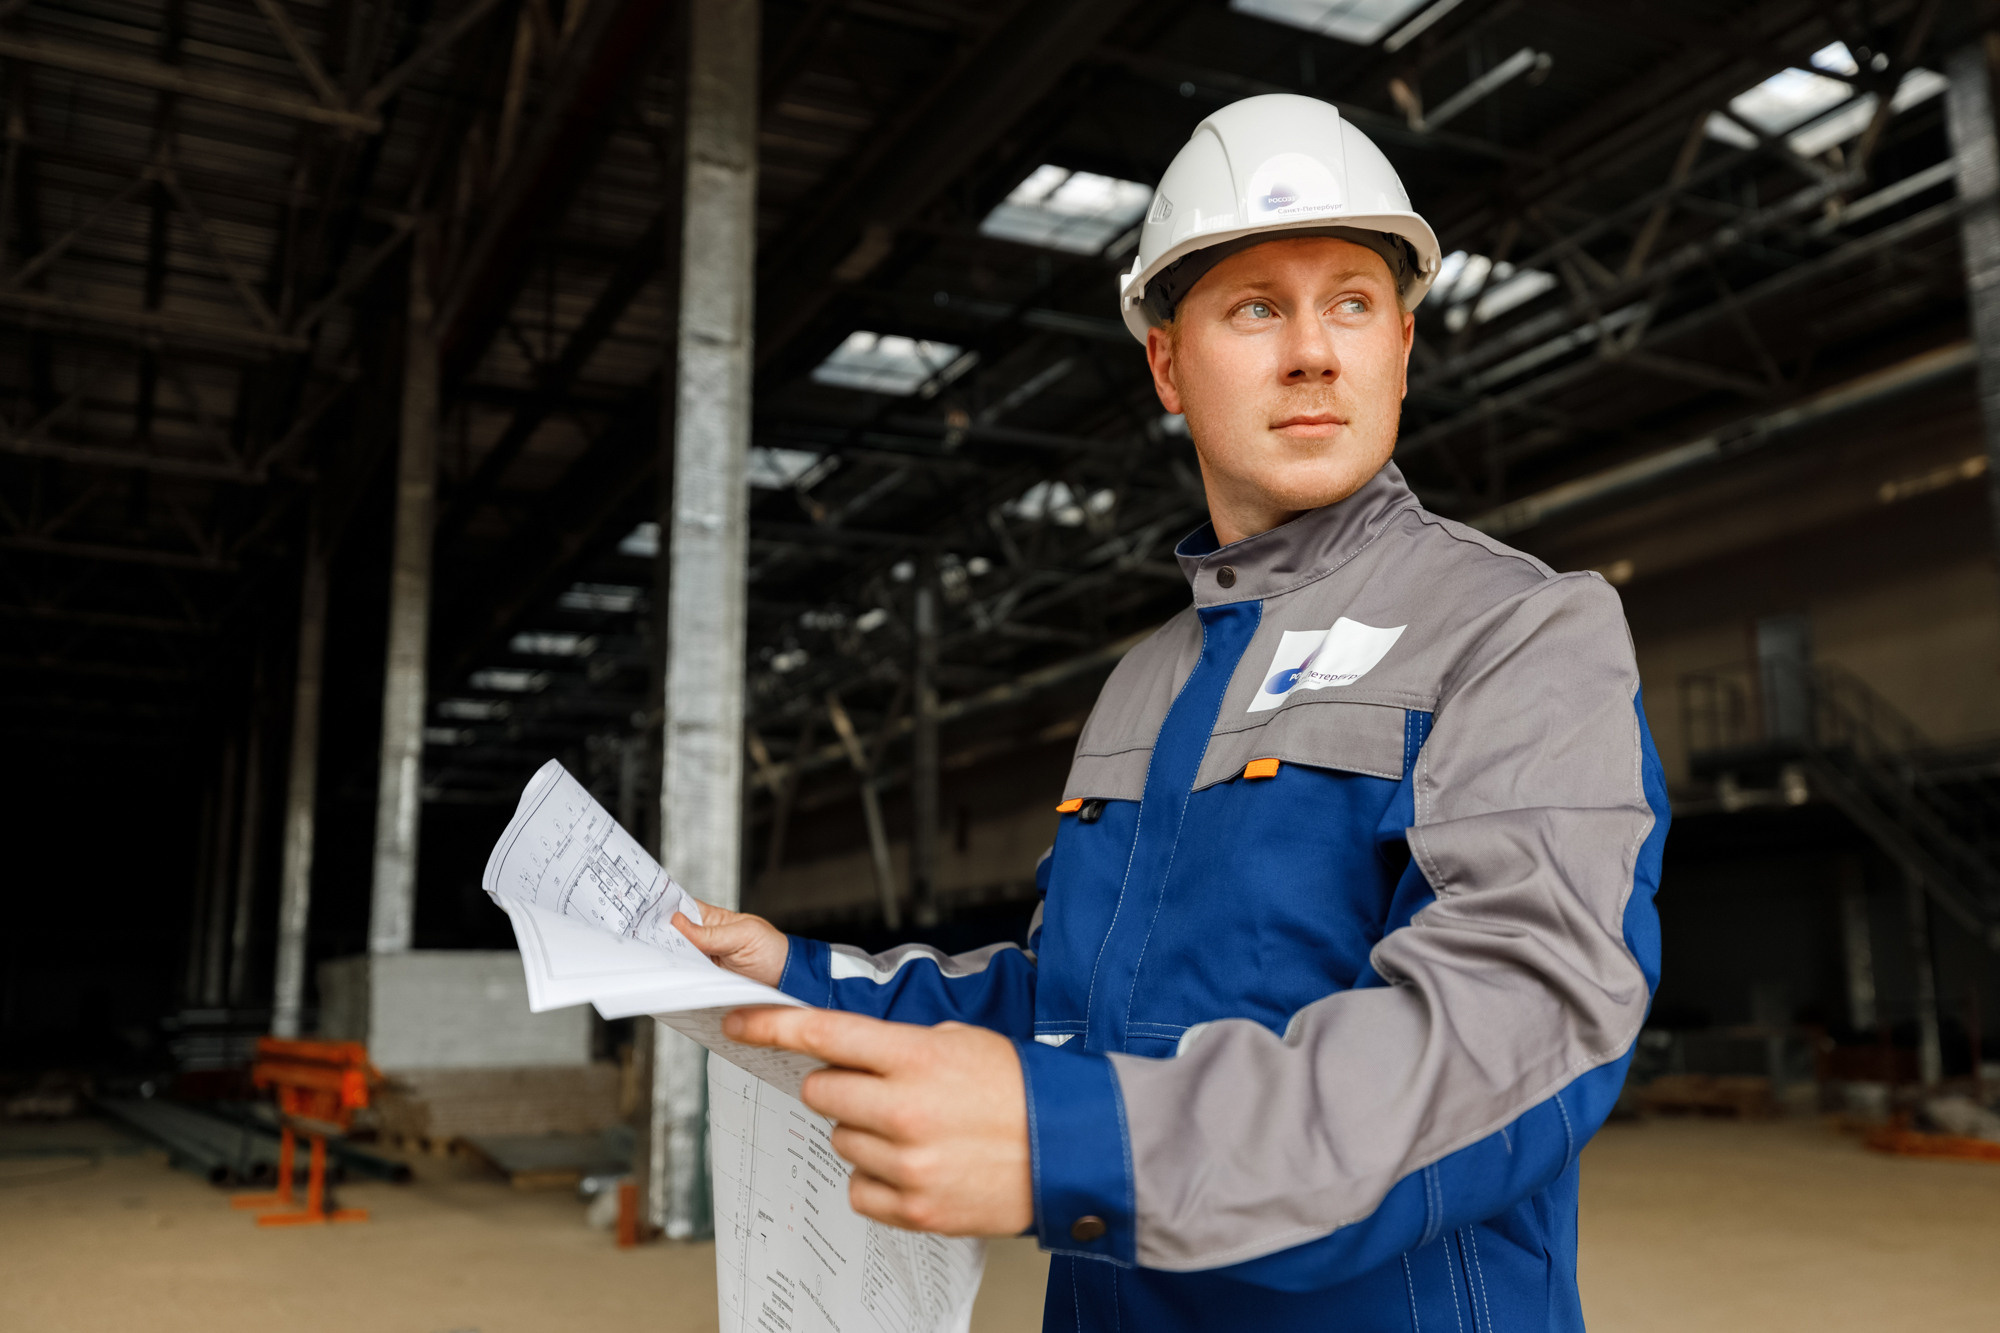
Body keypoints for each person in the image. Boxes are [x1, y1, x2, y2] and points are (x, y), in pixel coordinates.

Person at [677, 93, 1667, 1333]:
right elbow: (1072, 1005)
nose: (1311, 353)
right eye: (1254, 308)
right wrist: (800, 976)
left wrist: (1079, 1144)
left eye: (1351, 304)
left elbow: (1515, 1024)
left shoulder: (1515, 629)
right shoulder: (1144, 682)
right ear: (1164, 365)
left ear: (1402, 346)